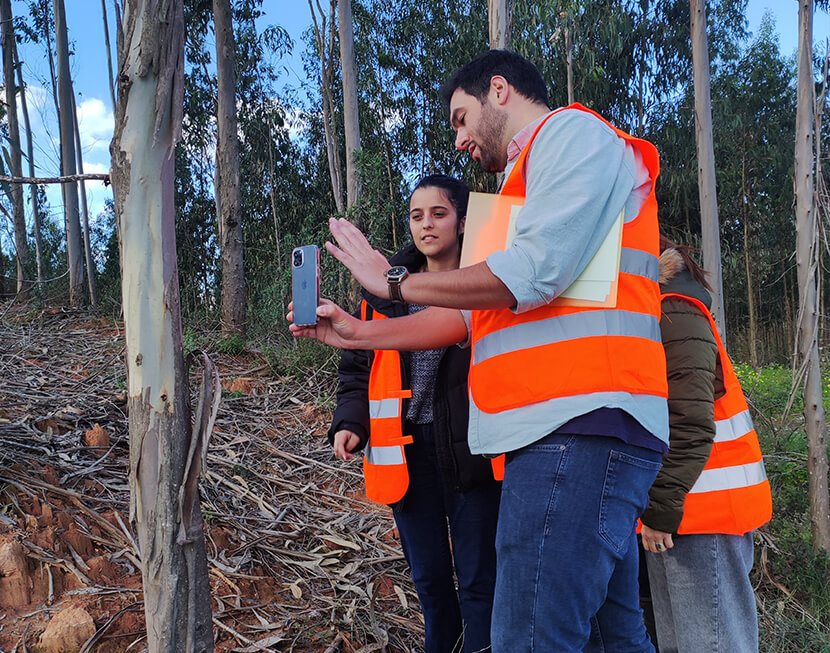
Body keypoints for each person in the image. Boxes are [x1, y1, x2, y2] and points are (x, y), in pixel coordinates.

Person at [290, 50, 669, 651]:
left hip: (579, 429)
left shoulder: (572, 134)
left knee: (527, 636)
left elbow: (532, 272)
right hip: (563, 435)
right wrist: (359, 332)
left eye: (461, 119)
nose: (460, 140)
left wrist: (391, 281)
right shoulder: (516, 192)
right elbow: (465, 318)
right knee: (611, 633)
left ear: (498, 90)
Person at [328, 174, 502, 653]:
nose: (426, 225)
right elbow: (358, 371)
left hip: (471, 455)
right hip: (406, 457)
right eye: (417, 215)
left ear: (463, 221)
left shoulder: (488, 285)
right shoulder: (382, 292)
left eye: (439, 213)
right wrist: (350, 423)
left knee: (478, 583)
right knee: (430, 583)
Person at [639, 237, 772, 653]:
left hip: (699, 507)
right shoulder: (656, 305)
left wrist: (661, 505)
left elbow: (692, 419)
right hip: (680, 507)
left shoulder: (673, 307)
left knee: (711, 644)